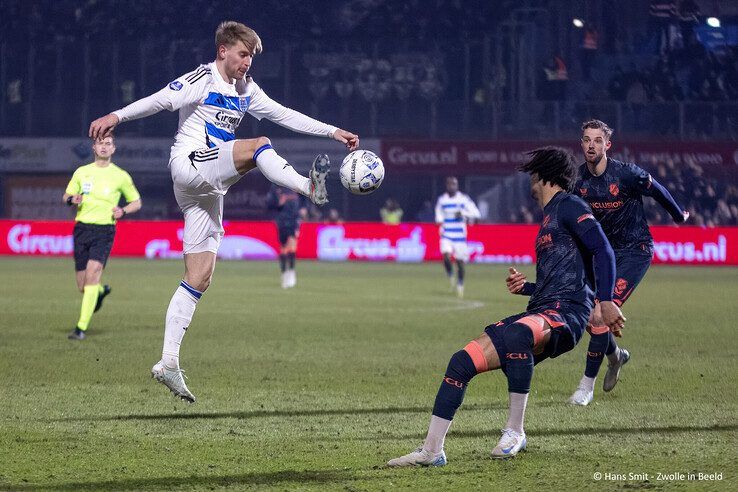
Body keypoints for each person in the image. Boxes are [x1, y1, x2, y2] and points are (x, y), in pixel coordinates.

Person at [88, 21, 359, 402]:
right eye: (244, 54)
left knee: (199, 276)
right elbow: (161, 99)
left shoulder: (246, 90)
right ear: (223, 51)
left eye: (251, 56)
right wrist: (116, 116)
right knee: (258, 144)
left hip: (208, 189)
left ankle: (167, 362)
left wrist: (333, 131)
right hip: (189, 164)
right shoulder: (203, 78)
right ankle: (307, 187)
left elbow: (285, 114)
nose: (248, 62)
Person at [387, 147, 623, 466]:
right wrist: (526, 287)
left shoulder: (569, 205)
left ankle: (515, 431)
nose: (529, 180)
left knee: (517, 335)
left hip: (566, 314)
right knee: (461, 362)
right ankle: (431, 451)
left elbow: (603, 250)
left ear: (542, 175)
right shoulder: (550, 216)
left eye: (532, 174)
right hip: (542, 308)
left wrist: (606, 301)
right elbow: (564, 274)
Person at [568, 119, 688, 406]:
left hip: (635, 251)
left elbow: (656, 189)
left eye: (597, 140)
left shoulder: (626, 174)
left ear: (607, 145)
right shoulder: (577, 181)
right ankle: (616, 356)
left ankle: (586, 386)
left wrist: (677, 215)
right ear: (581, 144)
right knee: (589, 317)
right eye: (586, 140)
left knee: (600, 313)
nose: (591, 145)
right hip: (602, 255)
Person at [63, 135, 142, 340]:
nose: (104, 147)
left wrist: (123, 211)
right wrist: (73, 199)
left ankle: (80, 329)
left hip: (104, 230)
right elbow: (66, 195)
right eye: (101, 143)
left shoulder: (120, 176)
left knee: (93, 273)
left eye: (108, 144)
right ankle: (98, 292)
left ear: (113, 149)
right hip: (82, 229)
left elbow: (137, 202)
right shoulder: (82, 172)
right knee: (83, 285)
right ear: (94, 147)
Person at [434, 176, 480, 298]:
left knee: (460, 262)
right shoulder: (442, 200)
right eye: (449, 184)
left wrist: (463, 213)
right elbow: (438, 216)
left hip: (459, 235)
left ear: (457, 185)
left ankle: (460, 285)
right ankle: (450, 275)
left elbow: (476, 213)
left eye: (454, 184)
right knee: (446, 256)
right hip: (447, 234)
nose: (452, 186)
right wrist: (440, 223)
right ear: (446, 186)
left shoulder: (463, 199)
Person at [266, 185, 304, 289]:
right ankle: (284, 274)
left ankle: (291, 273)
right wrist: (279, 203)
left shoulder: (295, 187)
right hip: (282, 222)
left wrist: (302, 212)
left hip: (293, 221)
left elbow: (303, 202)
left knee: (292, 245)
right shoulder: (275, 189)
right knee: (283, 249)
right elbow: (269, 206)